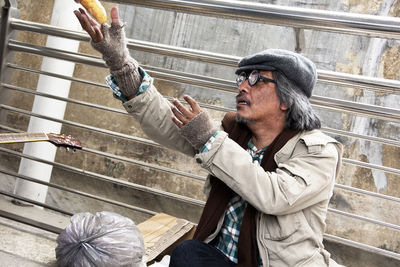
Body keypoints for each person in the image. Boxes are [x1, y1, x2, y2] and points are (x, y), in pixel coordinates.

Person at [74, 3, 343, 267]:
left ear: (287, 99)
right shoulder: (234, 133)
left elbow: (274, 195)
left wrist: (209, 139)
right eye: (241, 79)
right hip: (222, 259)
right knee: (189, 253)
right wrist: (120, 61)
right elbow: (165, 122)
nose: (242, 88)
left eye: (256, 79)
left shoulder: (318, 151)